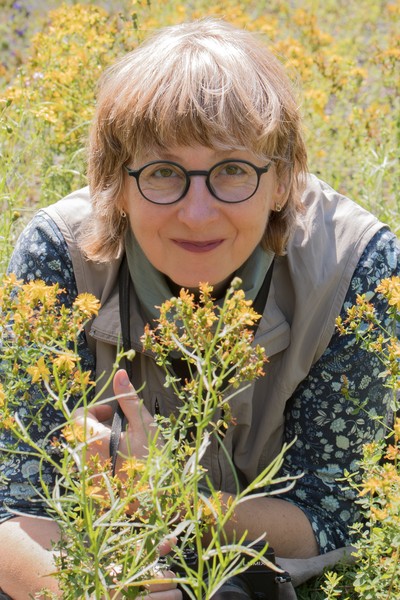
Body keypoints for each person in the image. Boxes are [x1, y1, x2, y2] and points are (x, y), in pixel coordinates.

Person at [0, 17, 399, 600]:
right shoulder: (58, 254)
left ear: (284, 178)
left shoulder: (357, 268)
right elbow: (13, 504)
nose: (197, 213)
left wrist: (162, 493)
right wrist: (117, 593)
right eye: (163, 173)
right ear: (116, 181)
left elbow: (337, 514)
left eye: (233, 170)